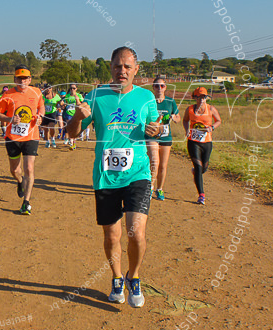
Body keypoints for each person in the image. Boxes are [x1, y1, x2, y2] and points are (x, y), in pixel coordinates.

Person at [65, 47, 161, 308]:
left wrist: (158, 130)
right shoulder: (96, 96)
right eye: (118, 66)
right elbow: (71, 134)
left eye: (127, 66)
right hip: (106, 177)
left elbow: (157, 129)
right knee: (111, 236)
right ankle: (117, 278)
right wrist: (77, 116)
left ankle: (135, 276)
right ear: (111, 67)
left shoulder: (146, 98)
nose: (122, 71)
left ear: (136, 69)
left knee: (137, 233)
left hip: (138, 174)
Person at [0, 67, 45, 215]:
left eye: (25, 78)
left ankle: (26, 203)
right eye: (19, 78)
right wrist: (10, 119)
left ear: (30, 79)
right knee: (14, 170)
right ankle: (20, 181)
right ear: (15, 80)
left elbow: (41, 107)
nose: (22, 81)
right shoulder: (8, 94)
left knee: (29, 168)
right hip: (13, 138)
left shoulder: (36, 92)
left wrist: (40, 116)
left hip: (31, 136)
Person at [181, 86, 222, 205]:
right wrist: (187, 129)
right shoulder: (189, 109)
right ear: (194, 98)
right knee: (198, 167)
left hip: (207, 142)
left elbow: (219, 120)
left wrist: (212, 127)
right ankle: (201, 195)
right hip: (193, 142)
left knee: (204, 167)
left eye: (203, 97)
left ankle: (197, 171)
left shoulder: (211, 109)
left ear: (206, 98)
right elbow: (185, 120)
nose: (201, 100)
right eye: (198, 97)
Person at [144, 76, 180, 201]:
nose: (159, 88)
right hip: (151, 136)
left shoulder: (170, 102)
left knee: (163, 166)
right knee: (154, 161)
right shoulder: (149, 102)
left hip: (165, 137)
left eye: (162, 86)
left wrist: (175, 118)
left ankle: (159, 189)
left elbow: (178, 117)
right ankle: (150, 187)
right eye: (156, 86)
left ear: (165, 88)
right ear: (153, 88)